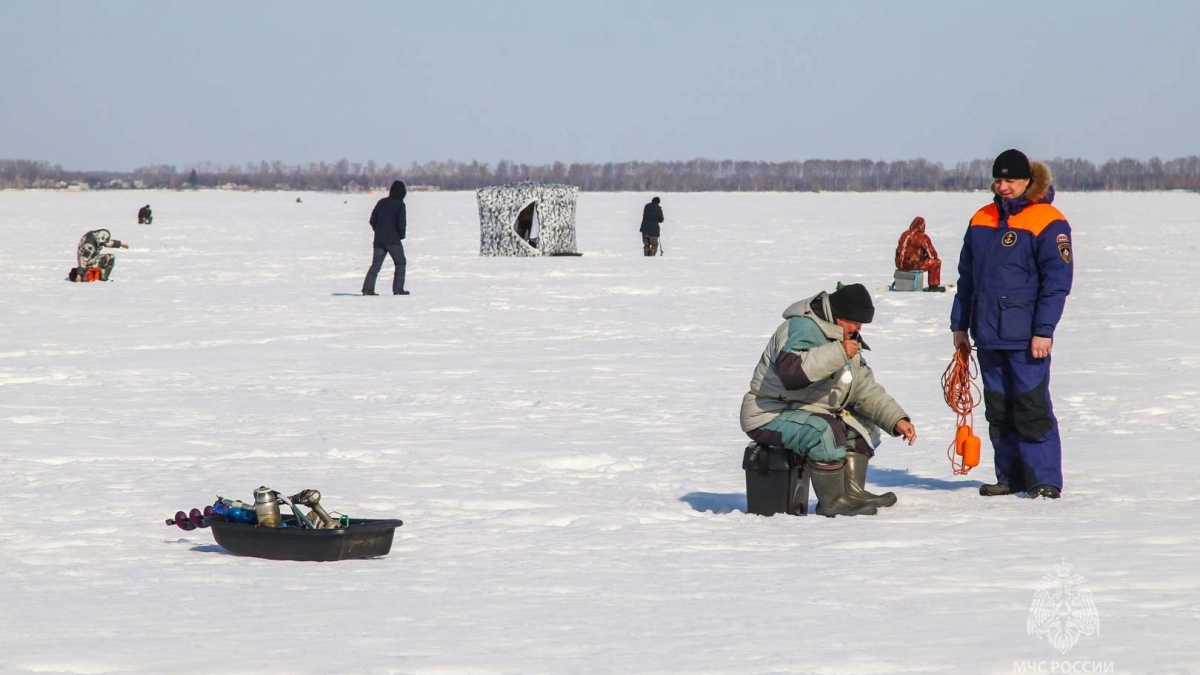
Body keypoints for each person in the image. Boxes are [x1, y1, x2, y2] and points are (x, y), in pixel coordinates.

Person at [951, 149, 1073, 499]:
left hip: (1026, 338)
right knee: (999, 410)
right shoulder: (981, 218)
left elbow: (1057, 282)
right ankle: (1010, 477)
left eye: (1011, 181)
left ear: (1028, 182)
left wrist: (1043, 330)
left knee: (1031, 407)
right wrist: (960, 326)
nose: (1003, 187)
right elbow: (967, 279)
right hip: (987, 335)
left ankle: (1044, 479)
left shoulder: (1047, 220)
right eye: (999, 180)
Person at [740, 283, 917, 517]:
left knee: (861, 425)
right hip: (768, 413)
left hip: (802, 410)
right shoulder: (802, 327)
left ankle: (852, 493)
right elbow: (792, 373)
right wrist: (839, 352)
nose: (858, 328)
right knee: (825, 431)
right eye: (854, 322)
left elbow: (862, 387)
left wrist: (896, 419)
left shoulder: (845, 337)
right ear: (837, 315)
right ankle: (832, 501)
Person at [362, 180, 408, 296]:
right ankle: (398, 289)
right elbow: (401, 223)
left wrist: (378, 231)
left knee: (376, 265)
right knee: (400, 262)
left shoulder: (381, 202)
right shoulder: (400, 205)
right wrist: (401, 235)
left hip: (378, 240)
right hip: (393, 240)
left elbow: (372, 220)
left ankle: (368, 289)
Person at [895, 216, 944, 291]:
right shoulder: (922, 237)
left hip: (899, 264)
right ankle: (933, 286)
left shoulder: (904, 234)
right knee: (936, 262)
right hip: (913, 265)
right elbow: (932, 255)